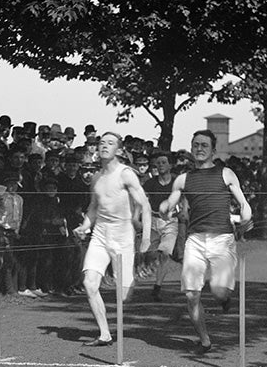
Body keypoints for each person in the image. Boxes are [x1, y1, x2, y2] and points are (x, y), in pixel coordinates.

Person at [158, 129, 252, 354]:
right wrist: (164, 209)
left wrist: (246, 216)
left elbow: (243, 202)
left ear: (213, 149)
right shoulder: (183, 179)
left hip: (222, 238)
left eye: (204, 145)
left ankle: (223, 297)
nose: (199, 149)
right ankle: (205, 340)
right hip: (196, 240)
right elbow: (169, 203)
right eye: (196, 145)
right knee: (191, 294)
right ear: (192, 148)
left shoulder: (225, 173)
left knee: (219, 291)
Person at [73, 132, 152, 346]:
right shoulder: (97, 178)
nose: (104, 146)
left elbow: (144, 205)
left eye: (110, 143)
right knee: (90, 283)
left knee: (124, 294)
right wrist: (84, 227)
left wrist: (145, 238)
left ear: (118, 150)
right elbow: (92, 209)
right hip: (100, 234)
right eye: (101, 143)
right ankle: (104, 333)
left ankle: (125, 298)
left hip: (123, 234)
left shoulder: (126, 174)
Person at [142, 150, 179, 302]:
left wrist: (184, 210)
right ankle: (147, 270)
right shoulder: (150, 183)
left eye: (164, 162)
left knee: (165, 253)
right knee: (149, 254)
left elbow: (184, 197)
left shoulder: (177, 182)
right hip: (153, 220)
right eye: (158, 163)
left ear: (170, 165)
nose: (161, 165)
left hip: (171, 221)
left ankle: (157, 287)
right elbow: (142, 200)